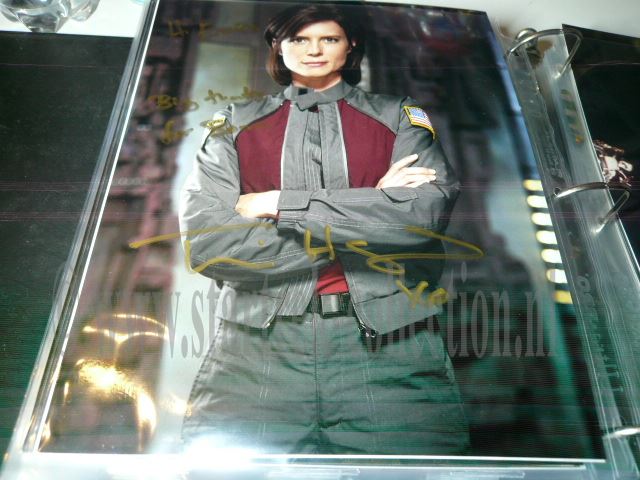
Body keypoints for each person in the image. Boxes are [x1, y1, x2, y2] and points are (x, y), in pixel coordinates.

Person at [179, 3, 469, 455]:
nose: (313, 50)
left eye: (328, 39)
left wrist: (278, 204)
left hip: (392, 346)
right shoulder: (233, 125)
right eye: (299, 39)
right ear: (278, 46)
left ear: (350, 45)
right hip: (255, 352)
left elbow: (421, 218)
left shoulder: (398, 117)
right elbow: (208, 246)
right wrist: (371, 208)